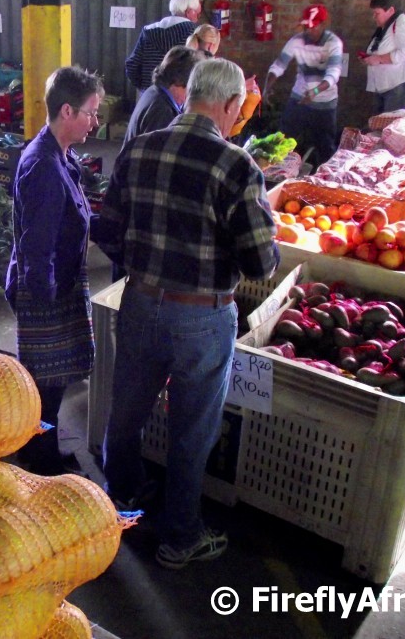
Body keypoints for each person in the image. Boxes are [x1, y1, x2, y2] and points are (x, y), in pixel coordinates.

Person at [95, 58, 279, 569]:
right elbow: (259, 261)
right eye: (238, 110)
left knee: (126, 410)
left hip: (139, 302)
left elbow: (107, 232)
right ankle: (179, 537)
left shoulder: (138, 148)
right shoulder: (237, 166)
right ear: (226, 105)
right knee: (192, 430)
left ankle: (122, 503)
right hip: (201, 317)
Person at [5, 66, 104, 476]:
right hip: (44, 287)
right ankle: (37, 459)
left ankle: (40, 446)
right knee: (45, 381)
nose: (95, 122)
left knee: (58, 377)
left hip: (59, 280)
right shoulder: (44, 167)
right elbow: (37, 246)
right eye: (90, 113)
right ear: (67, 111)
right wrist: (46, 309)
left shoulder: (62, 154)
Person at [262, 3, 344, 167]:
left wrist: (315, 91)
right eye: (306, 26)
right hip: (299, 99)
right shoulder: (296, 41)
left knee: (325, 146)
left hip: (325, 104)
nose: (309, 31)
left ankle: (324, 179)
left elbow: (333, 74)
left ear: (323, 25)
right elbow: (278, 66)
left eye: (313, 27)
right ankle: (277, 172)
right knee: (283, 138)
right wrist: (266, 88)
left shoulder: (334, 43)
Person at [124, 46, 206, 149]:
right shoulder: (163, 111)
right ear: (179, 81)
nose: (189, 97)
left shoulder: (154, 91)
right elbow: (156, 155)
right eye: (191, 89)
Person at [125, 0, 201, 92]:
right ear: (189, 12)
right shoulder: (193, 33)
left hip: (150, 93)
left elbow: (132, 64)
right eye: (197, 14)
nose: (197, 18)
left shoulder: (148, 31)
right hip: (181, 97)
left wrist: (144, 88)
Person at [360, 0, 405, 113]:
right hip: (386, 84)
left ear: (391, 10)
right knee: (381, 124)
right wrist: (369, 59)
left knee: (394, 125)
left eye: (377, 13)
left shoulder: (403, 22)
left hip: (401, 83)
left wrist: (378, 59)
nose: (374, 17)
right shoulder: (385, 26)